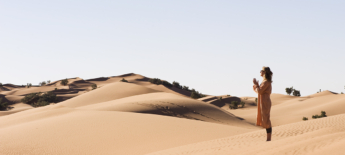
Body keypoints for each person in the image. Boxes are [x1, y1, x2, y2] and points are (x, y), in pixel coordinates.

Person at [253, 66, 273, 141]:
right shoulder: (265, 81)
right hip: (263, 100)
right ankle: (268, 138)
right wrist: (257, 85)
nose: (260, 72)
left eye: (261, 70)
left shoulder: (266, 81)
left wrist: (255, 85)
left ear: (264, 72)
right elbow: (260, 90)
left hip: (265, 101)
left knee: (266, 119)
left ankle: (269, 139)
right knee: (265, 119)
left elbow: (260, 91)